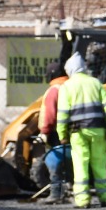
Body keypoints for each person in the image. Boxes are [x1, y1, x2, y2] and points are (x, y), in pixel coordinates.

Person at [55, 52, 106, 209]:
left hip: (78, 133)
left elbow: (62, 114)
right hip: (98, 130)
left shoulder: (66, 87)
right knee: (99, 165)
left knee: (80, 165)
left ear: (70, 70)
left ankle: (82, 200)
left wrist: (62, 134)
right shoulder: (96, 83)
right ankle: (105, 198)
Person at [36, 60, 72, 202]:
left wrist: (44, 131)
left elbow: (49, 114)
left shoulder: (54, 90)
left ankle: (56, 193)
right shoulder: (71, 86)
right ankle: (71, 190)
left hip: (57, 131)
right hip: (74, 130)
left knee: (54, 160)